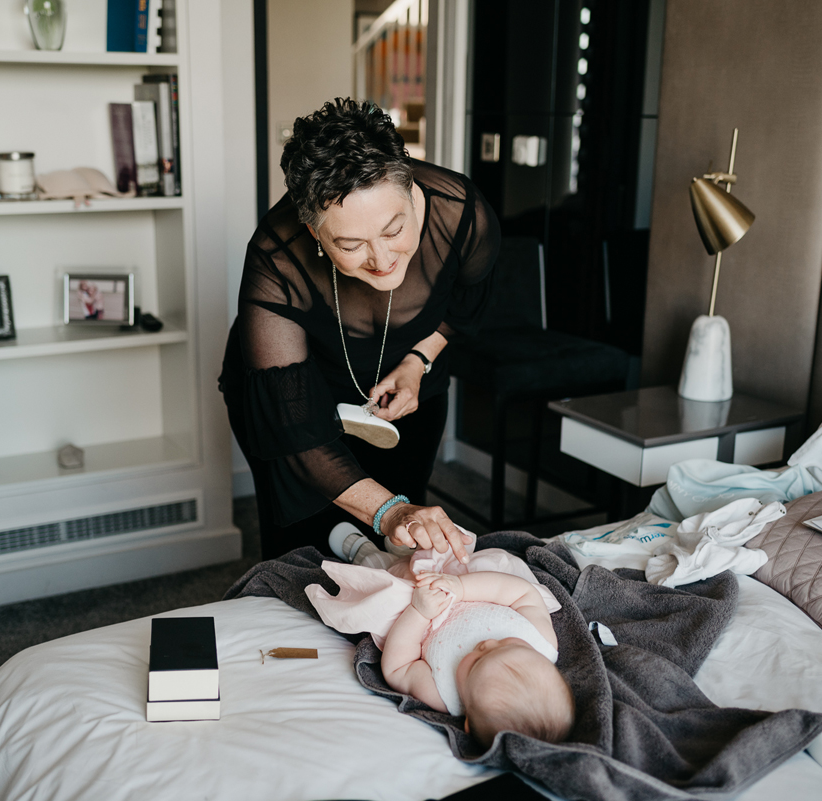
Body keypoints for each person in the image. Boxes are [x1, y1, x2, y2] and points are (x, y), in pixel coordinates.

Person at [220, 98, 500, 561]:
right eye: (350, 244)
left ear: (411, 192)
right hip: (293, 398)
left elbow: (467, 301)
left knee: (404, 548)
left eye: (394, 229)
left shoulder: (460, 212)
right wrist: (389, 511)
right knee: (304, 550)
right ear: (315, 235)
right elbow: (295, 430)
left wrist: (418, 361)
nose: (382, 258)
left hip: (409, 392)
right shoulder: (276, 256)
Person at [306, 533, 574, 747]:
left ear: (467, 717)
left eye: (477, 662)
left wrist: (418, 612)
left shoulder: (445, 695)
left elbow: (400, 667)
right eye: (511, 645)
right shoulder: (542, 641)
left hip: (417, 609)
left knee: (386, 590)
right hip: (469, 581)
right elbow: (522, 593)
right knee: (455, 550)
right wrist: (460, 587)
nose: (488, 644)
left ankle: (366, 554)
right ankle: (406, 544)